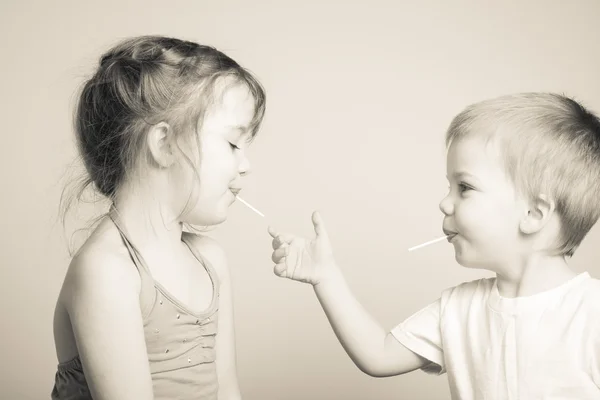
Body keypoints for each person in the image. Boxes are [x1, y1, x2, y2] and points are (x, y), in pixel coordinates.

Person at [269, 92, 600, 399]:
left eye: (464, 187)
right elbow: (378, 356)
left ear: (533, 213)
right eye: (449, 187)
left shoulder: (591, 314)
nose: (445, 203)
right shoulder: (457, 310)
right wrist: (326, 277)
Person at [52, 35, 266, 400]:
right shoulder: (109, 272)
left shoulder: (211, 261)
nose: (245, 166)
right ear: (164, 144)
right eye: (233, 144)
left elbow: (227, 391)